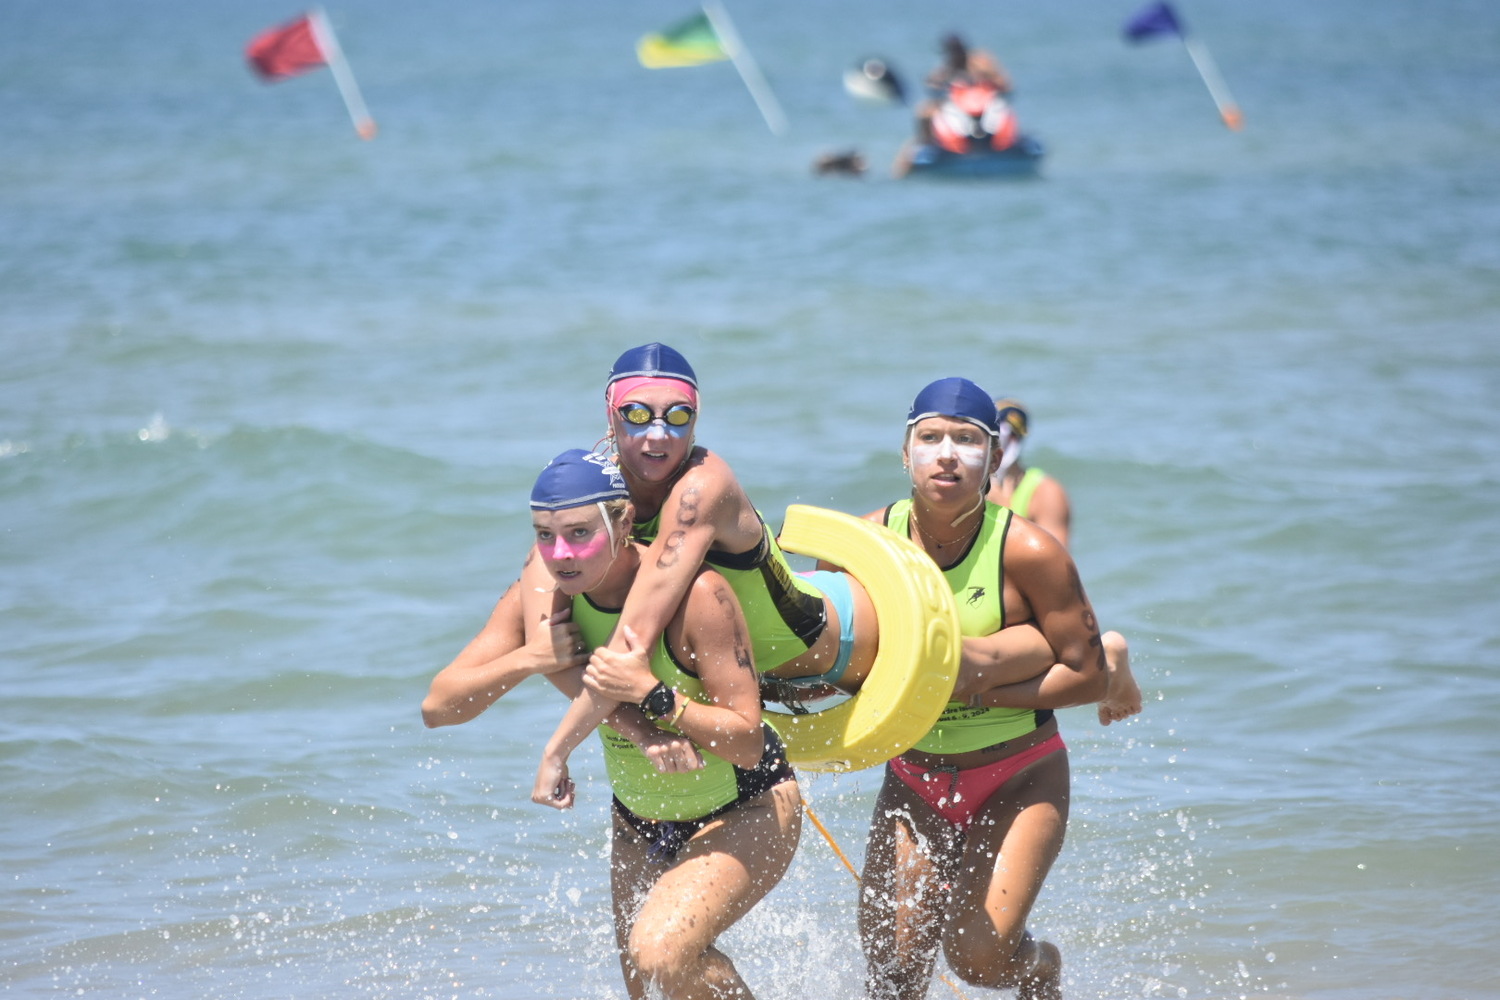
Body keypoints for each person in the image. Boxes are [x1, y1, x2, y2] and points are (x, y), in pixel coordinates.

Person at [484, 449, 804, 1000]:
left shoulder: (700, 596)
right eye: (545, 535)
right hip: (638, 820)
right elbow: (440, 705)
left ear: (625, 521)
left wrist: (657, 699)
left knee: (659, 952)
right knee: (646, 986)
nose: (561, 554)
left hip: (748, 805)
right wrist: (532, 671)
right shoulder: (561, 603)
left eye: (580, 533)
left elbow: (748, 741)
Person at [853, 377, 1111, 1000]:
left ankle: (1042, 971)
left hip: (1019, 774)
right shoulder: (867, 542)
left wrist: (976, 691)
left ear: (994, 459)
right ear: (905, 451)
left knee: (979, 959)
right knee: (892, 974)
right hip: (912, 776)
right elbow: (817, 651)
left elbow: (1089, 675)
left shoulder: (1027, 550)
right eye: (931, 438)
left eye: (967, 441)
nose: (947, 454)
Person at [986, 397, 1143, 726]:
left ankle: (1107, 660)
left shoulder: (1043, 491)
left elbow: (1054, 570)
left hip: (1030, 603)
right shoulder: (966, 487)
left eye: (1009, 435)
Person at [892, 33, 1021, 178]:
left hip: (983, 101)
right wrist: (936, 82)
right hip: (956, 103)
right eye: (951, 52)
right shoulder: (948, 66)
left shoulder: (981, 61)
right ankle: (925, 143)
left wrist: (986, 77)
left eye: (956, 51)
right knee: (923, 112)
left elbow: (1005, 83)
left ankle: (1007, 143)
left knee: (1005, 112)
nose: (954, 55)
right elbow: (932, 81)